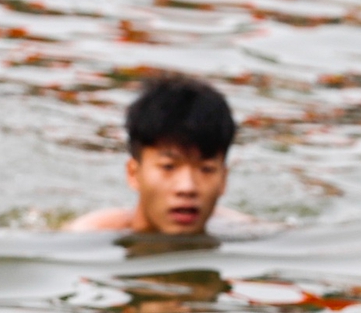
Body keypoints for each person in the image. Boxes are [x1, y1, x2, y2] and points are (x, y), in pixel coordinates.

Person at [68, 75, 238, 235]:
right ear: (133, 173)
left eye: (206, 169)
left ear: (223, 179)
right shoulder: (84, 236)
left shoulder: (246, 231)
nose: (187, 188)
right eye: (168, 166)